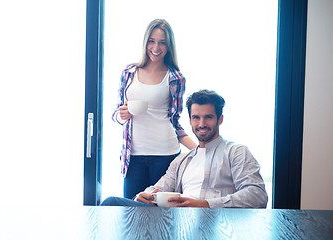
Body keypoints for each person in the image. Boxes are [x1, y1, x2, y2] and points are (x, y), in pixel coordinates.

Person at [102, 89, 268, 208]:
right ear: (190, 120)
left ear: (220, 119)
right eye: (196, 117)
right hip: (177, 220)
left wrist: (205, 205)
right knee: (112, 203)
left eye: (208, 117)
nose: (201, 124)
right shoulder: (182, 160)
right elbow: (161, 187)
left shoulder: (236, 152)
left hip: (217, 221)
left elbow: (257, 195)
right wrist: (144, 195)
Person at [112, 19, 197, 199]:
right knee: (131, 212)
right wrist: (121, 116)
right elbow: (116, 112)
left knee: (162, 215)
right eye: (152, 41)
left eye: (162, 42)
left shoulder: (176, 78)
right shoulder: (129, 73)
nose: (156, 47)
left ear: (169, 46)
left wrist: (200, 150)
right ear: (145, 42)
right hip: (133, 156)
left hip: (165, 154)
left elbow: (174, 121)